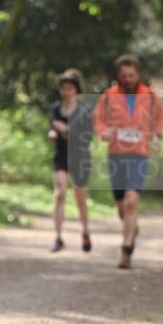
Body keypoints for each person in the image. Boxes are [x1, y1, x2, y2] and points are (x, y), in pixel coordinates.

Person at [93, 55, 163, 270]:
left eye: (131, 75)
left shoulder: (149, 96)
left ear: (138, 74)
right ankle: (132, 228)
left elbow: (159, 118)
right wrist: (103, 131)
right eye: (124, 76)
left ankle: (126, 249)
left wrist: (157, 136)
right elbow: (98, 118)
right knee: (121, 206)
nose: (128, 79)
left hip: (140, 154)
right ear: (119, 76)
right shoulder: (109, 95)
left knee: (131, 201)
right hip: (116, 154)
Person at [48, 69, 93, 253]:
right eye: (63, 88)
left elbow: (87, 137)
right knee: (59, 194)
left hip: (80, 157)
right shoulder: (55, 108)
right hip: (61, 156)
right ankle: (58, 237)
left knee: (80, 197)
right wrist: (54, 132)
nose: (66, 91)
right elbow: (52, 127)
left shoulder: (84, 111)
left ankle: (85, 230)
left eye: (69, 88)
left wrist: (66, 130)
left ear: (76, 90)